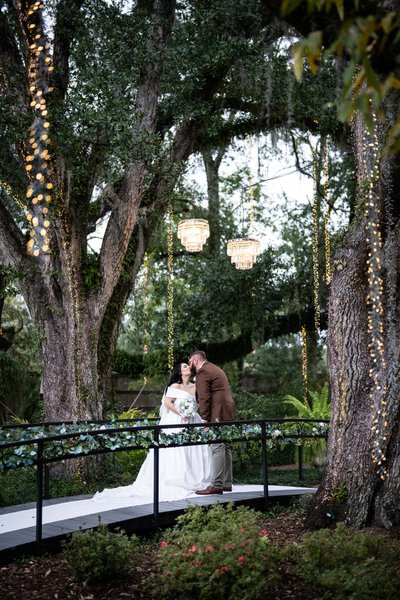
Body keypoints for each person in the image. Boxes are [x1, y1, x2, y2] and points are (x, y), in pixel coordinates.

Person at [93, 362, 212, 503]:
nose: (188, 368)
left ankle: (198, 477)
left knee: (195, 448)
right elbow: (168, 403)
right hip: (176, 420)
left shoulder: (195, 386)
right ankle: (177, 479)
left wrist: (191, 413)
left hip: (193, 421)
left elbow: (198, 403)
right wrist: (181, 413)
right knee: (176, 450)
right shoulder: (175, 386)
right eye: (185, 366)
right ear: (180, 372)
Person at [188, 350, 237, 495]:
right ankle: (227, 483)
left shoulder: (203, 371)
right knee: (226, 446)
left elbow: (204, 398)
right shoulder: (215, 368)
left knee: (217, 446)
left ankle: (216, 485)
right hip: (227, 411)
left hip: (218, 413)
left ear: (195, 361)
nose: (189, 364)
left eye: (189, 361)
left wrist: (204, 420)